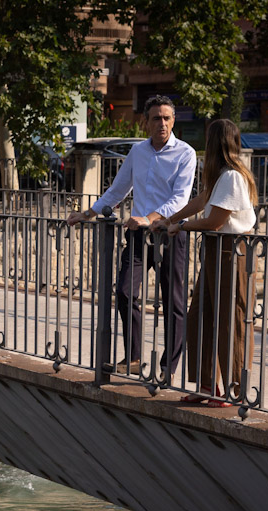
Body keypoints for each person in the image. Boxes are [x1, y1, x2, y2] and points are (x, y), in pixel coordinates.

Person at [65, 95, 196, 378]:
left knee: (173, 302)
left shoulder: (186, 153)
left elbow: (181, 199)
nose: (161, 123)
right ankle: (134, 358)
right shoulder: (138, 152)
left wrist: (150, 219)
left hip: (169, 233)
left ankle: (167, 368)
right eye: (156, 118)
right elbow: (117, 190)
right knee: (124, 292)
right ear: (145, 122)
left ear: (173, 121)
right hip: (139, 235)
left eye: (166, 118)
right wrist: (87, 214)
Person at [152, 118, 258, 407]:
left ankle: (234, 390)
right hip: (216, 250)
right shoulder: (222, 176)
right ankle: (207, 385)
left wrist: (181, 227)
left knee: (230, 320)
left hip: (231, 252)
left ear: (215, 143)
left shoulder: (234, 176)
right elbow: (201, 202)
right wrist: (168, 219)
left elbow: (215, 221)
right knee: (200, 316)